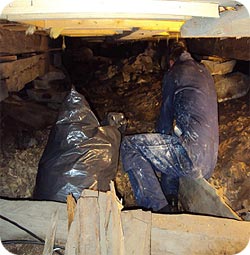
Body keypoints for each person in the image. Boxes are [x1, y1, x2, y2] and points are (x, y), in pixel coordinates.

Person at [120, 40, 219, 213]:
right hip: (209, 160)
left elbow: (164, 121)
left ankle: (159, 208)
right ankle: (171, 197)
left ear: (170, 62)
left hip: (192, 158)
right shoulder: (204, 71)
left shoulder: (175, 73)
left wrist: (155, 154)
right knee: (171, 144)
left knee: (130, 146)